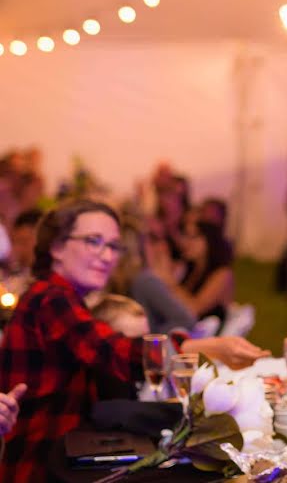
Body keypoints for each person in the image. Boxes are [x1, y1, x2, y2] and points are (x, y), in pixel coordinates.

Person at [0, 199, 268, 482]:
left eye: (114, 246)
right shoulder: (49, 298)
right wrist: (210, 346)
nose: (106, 256)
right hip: (38, 469)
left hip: (71, 458)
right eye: (94, 241)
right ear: (56, 247)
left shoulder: (61, 295)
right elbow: (113, 351)